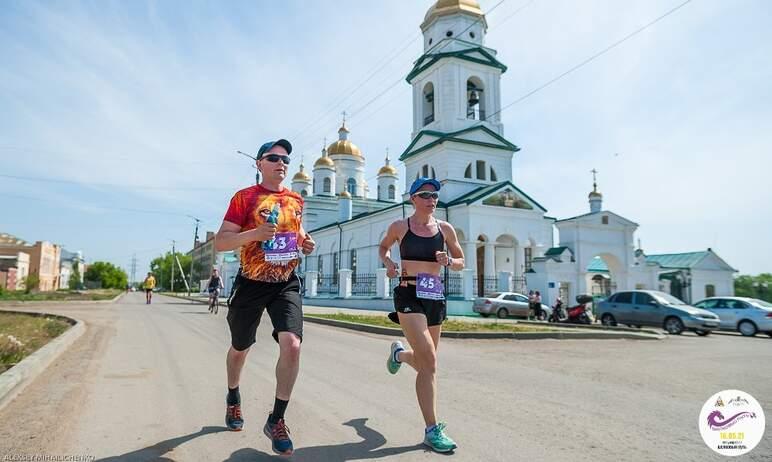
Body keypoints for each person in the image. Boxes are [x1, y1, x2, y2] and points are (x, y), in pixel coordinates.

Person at [214, 139, 315, 456]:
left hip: (285, 282)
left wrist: (305, 241)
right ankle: (233, 396)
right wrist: (254, 235)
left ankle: (277, 419)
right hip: (251, 283)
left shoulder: (296, 200)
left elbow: (296, 234)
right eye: (273, 157)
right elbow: (221, 242)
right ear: (259, 164)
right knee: (240, 348)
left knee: (293, 344)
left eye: (286, 158)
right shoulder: (245, 198)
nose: (281, 163)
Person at [378, 177, 465, 453]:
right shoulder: (400, 226)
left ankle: (399, 355)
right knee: (429, 359)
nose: (431, 200)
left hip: (435, 297)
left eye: (435, 195)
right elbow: (383, 247)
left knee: (427, 363)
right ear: (413, 199)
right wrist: (390, 262)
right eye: (425, 195)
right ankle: (431, 429)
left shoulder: (445, 229)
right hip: (409, 294)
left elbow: (461, 261)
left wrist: (449, 261)